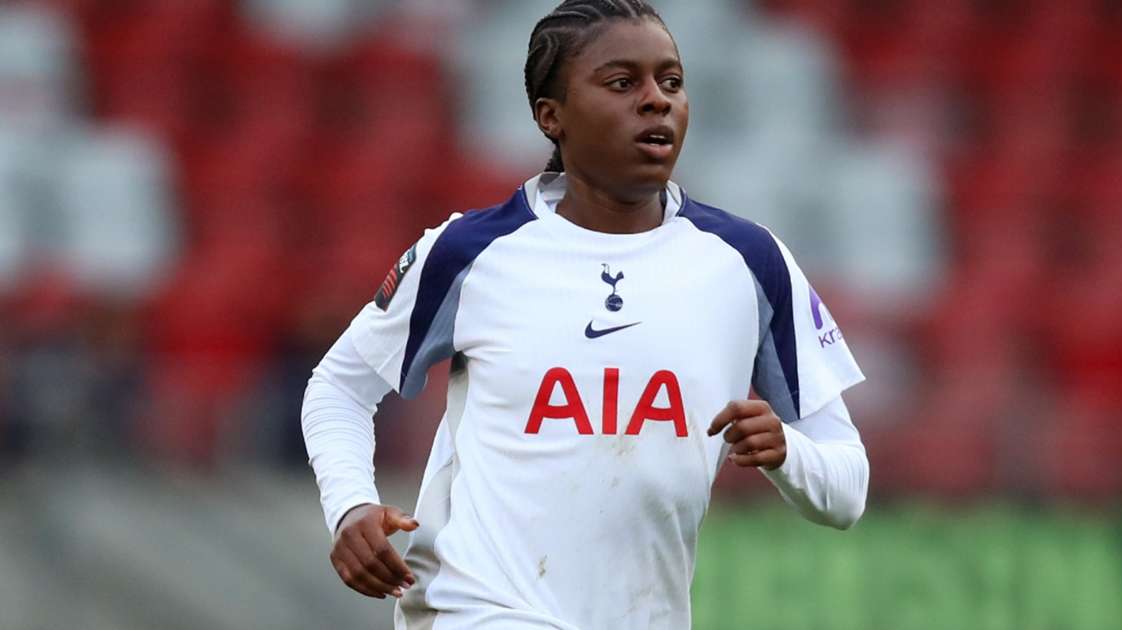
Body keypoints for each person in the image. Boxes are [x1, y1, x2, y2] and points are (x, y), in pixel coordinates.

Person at [301, 1, 868, 628]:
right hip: (479, 608)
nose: (656, 101)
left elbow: (847, 489)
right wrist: (350, 504)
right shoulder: (470, 252)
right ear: (552, 116)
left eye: (671, 82)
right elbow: (339, 388)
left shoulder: (748, 261)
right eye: (622, 83)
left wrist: (787, 452)